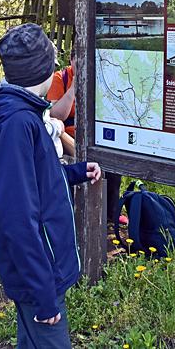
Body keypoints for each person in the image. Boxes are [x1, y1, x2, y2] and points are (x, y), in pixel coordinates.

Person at [0, 24, 102, 348]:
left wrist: (74, 173)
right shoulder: (17, 124)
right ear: (42, 70)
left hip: (40, 271)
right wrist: (43, 291)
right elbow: (17, 217)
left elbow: (33, 179)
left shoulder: (23, 115)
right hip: (39, 275)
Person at [46, 49, 121, 222]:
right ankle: (82, 213)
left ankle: (111, 213)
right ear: (71, 60)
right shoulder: (60, 78)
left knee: (112, 166)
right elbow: (56, 116)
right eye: (77, 61)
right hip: (66, 135)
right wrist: (73, 88)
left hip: (94, 135)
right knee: (85, 161)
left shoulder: (101, 76)